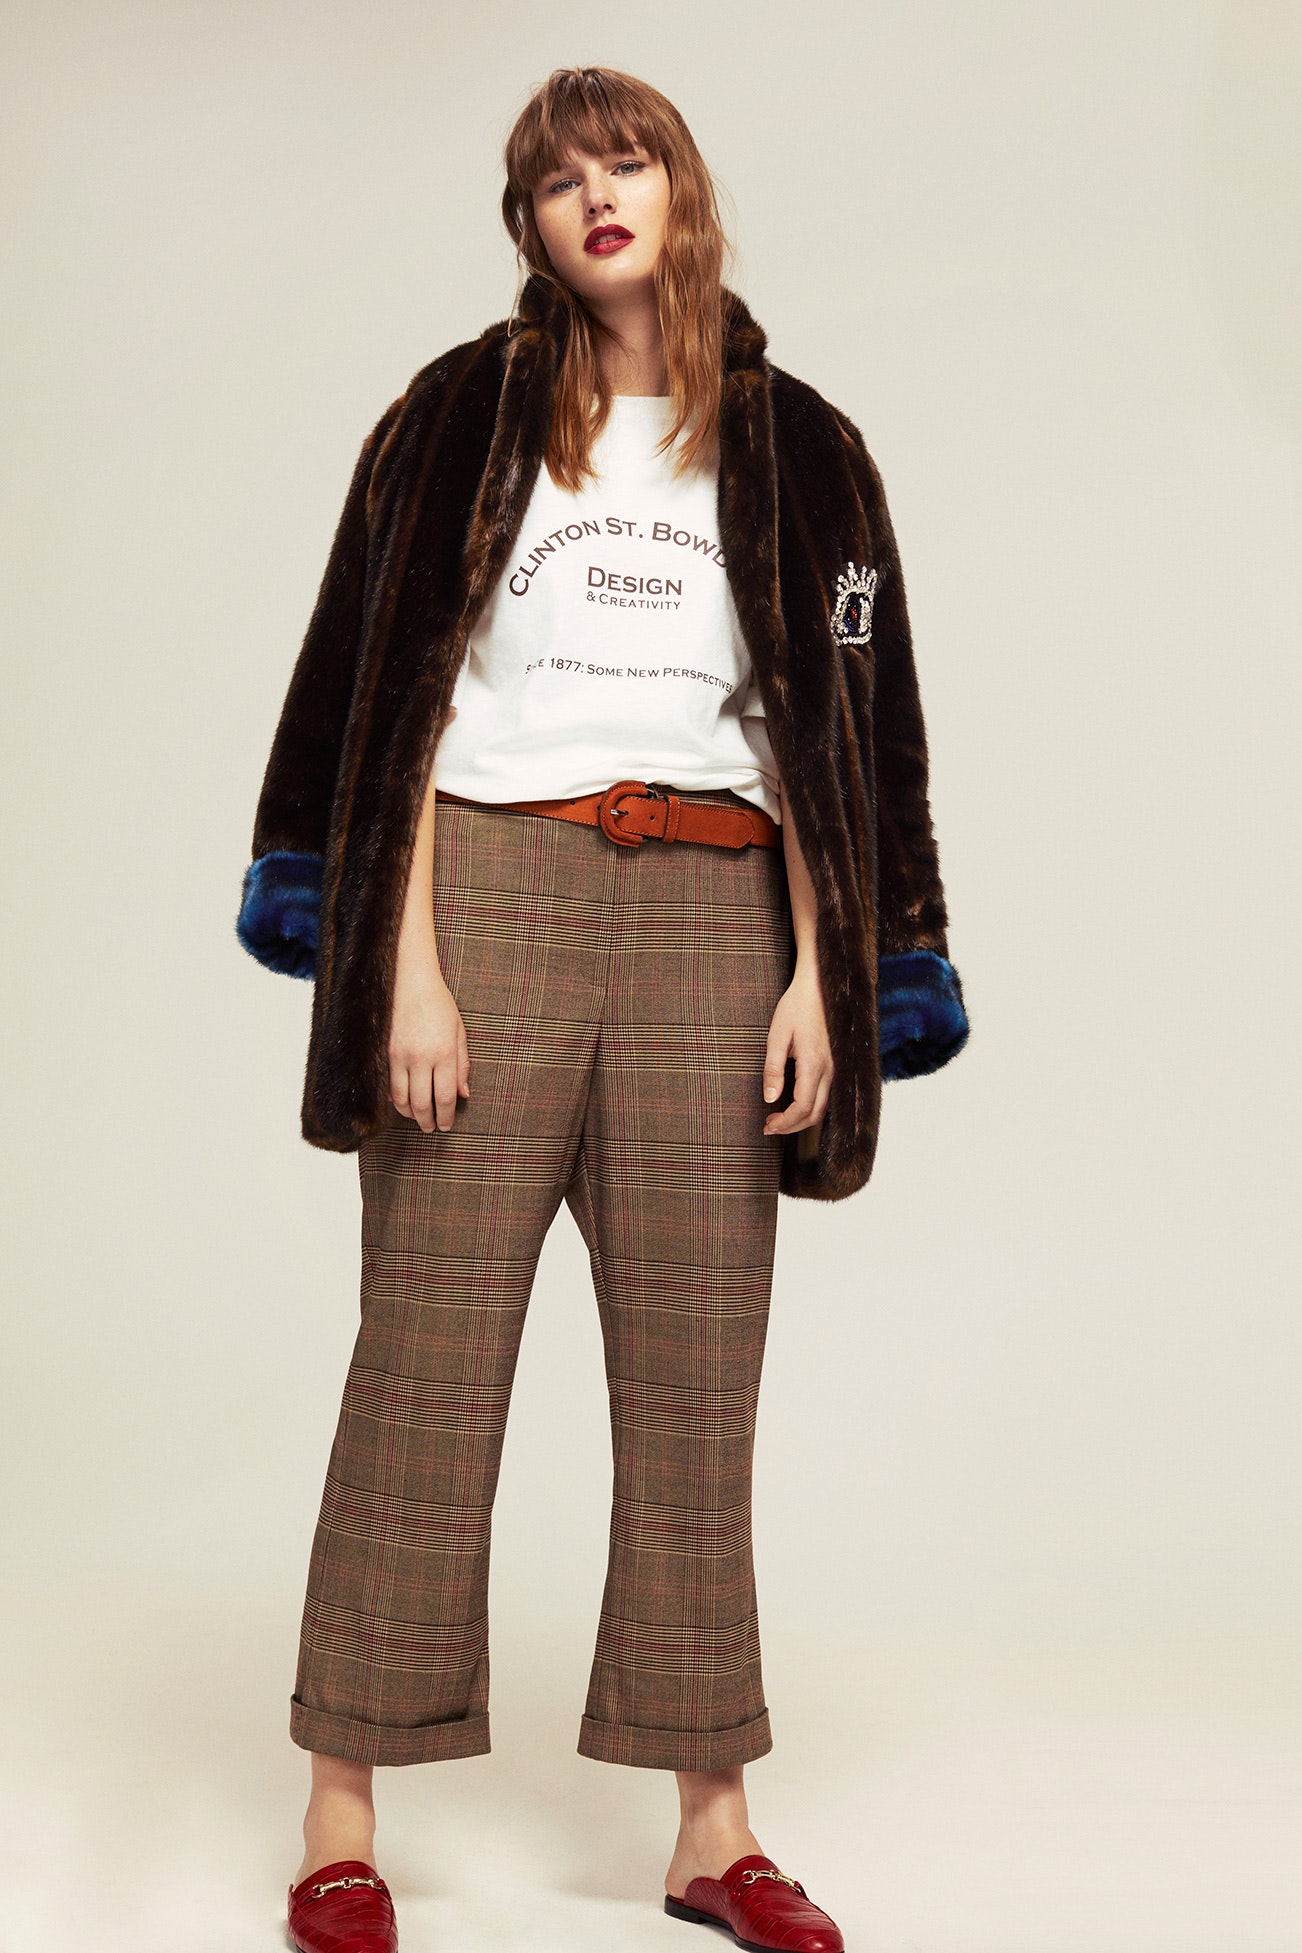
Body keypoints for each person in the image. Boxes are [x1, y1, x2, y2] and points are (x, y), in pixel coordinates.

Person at [236, 65, 969, 1953]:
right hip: (489, 894)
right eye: (557, 180)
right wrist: (399, 960)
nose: (595, 196)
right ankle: (338, 1820)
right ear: (530, 226)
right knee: (423, 1364)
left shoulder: (812, 457)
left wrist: (830, 963)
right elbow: (375, 680)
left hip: (720, 915)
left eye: (623, 160)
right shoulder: (454, 417)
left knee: (696, 1377)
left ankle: (713, 1830)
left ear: (679, 185)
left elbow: (847, 710)